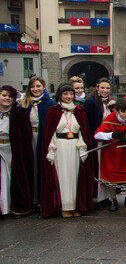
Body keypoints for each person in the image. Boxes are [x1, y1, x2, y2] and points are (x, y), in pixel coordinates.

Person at [41, 83, 93, 218]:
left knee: (75, 176)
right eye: (65, 94)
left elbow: (83, 132)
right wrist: (51, 150)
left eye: (71, 94)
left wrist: (83, 148)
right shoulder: (53, 112)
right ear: (60, 95)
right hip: (60, 147)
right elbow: (51, 133)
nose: (69, 96)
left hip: (75, 146)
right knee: (63, 176)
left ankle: (75, 206)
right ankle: (64, 206)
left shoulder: (79, 111)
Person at [94, 97, 126, 212]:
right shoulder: (110, 119)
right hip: (113, 152)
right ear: (117, 111)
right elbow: (97, 135)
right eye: (123, 111)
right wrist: (111, 135)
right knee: (111, 176)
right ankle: (113, 199)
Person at [20, 76, 55, 210]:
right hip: (28, 139)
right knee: (30, 168)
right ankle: (31, 200)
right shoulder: (24, 103)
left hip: (43, 138)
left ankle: (42, 200)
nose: (36, 89)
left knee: (42, 169)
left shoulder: (49, 103)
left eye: (38, 86)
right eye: (33, 87)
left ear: (43, 87)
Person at [70, 75, 103, 209]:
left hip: (88, 139)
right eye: (76, 88)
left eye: (81, 88)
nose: (79, 90)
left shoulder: (89, 101)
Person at [0, 85, 34, 218]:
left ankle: (15, 207)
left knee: (12, 178)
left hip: (13, 150)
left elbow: (26, 136)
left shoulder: (20, 114)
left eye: (10, 96)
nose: (7, 98)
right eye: (4, 95)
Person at [89, 78, 117, 208]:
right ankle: (96, 197)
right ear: (97, 88)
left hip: (108, 139)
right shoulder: (92, 103)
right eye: (102, 88)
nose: (105, 91)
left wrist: (113, 109)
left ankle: (106, 196)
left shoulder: (109, 103)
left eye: (107, 88)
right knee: (97, 167)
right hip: (97, 140)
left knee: (106, 168)